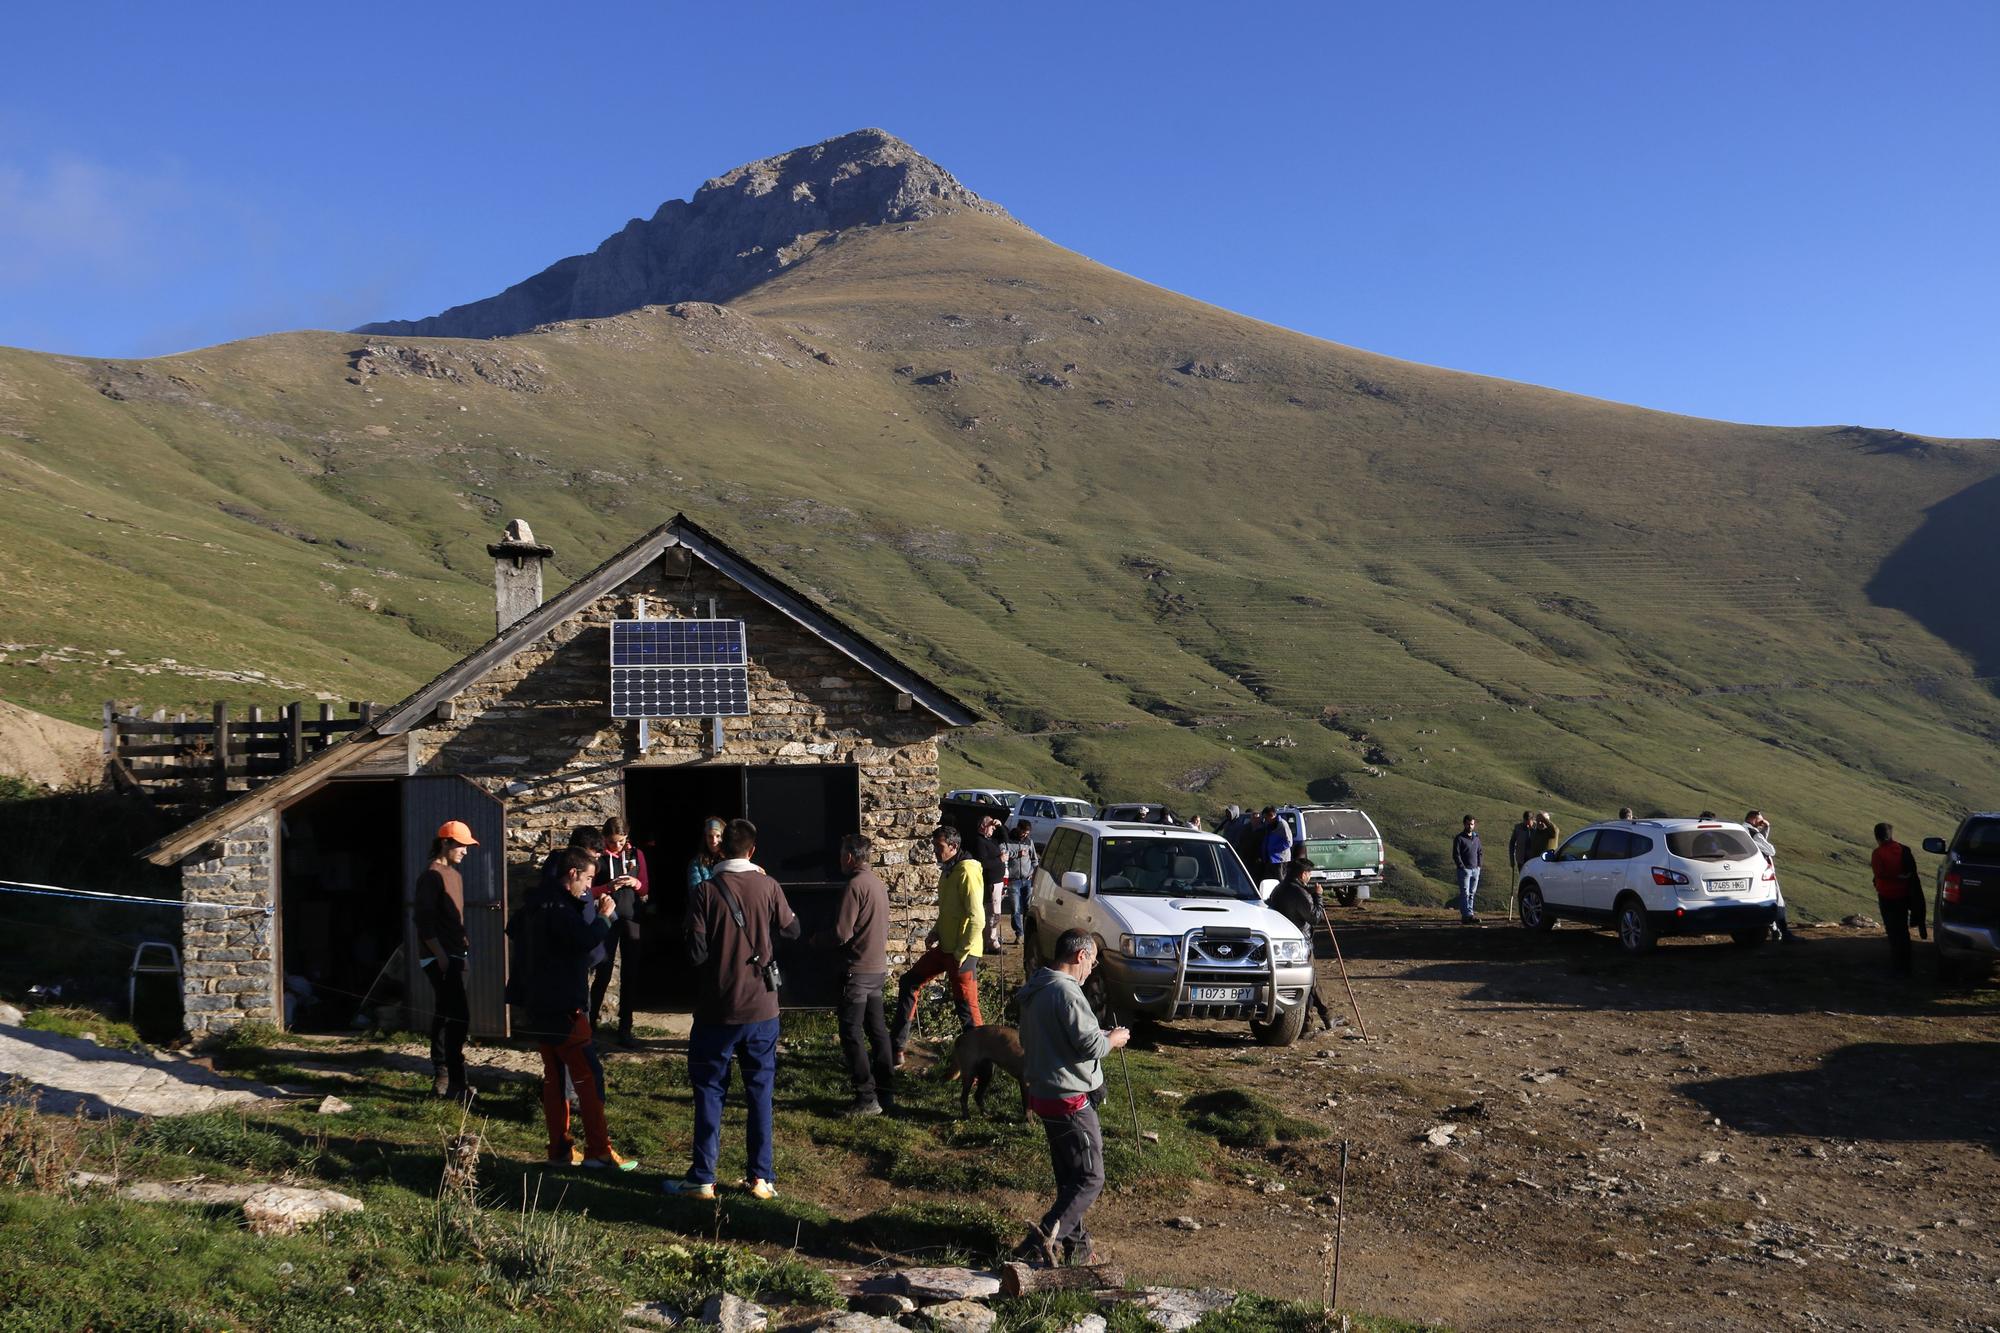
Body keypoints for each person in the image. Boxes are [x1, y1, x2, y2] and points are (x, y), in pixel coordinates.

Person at [665, 818, 800, 1201]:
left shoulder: (705, 892)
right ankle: (761, 1178)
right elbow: (792, 930)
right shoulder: (769, 886)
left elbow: (696, 954)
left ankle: (703, 1177)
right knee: (760, 1091)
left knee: (709, 1090)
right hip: (762, 1008)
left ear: (721, 849)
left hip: (717, 1008)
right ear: (753, 851)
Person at [509, 847, 637, 1170]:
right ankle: (598, 1149)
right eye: (589, 878)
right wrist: (606, 917)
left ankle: (559, 1149)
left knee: (554, 1077)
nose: (589, 886)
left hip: (539, 1003)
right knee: (588, 1076)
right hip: (565, 1005)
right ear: (573, 874)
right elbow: (585, 941)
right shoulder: (560, 908)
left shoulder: (535, 904)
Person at [1015, 929, 1130, 1267]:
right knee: (1091, 1177)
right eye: (1092, 962)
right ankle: (1041, 1242)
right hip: (1070, 1099)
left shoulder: (1037, 987)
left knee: (1070, 1178)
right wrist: (1114, 1039)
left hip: (1044, 1094)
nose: (1091, 970)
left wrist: (1097, 1035)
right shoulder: (1067, 993)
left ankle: (1078, 1250)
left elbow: (1043, 1036)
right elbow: (1091, 1046)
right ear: (1080, 956)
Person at [890, 826, 985, 1068]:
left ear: (953, 847)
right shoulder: (948, 871)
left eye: (939, 847)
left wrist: (961, 953)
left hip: (963, 953)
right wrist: (935, 932)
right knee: (909, 981)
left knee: (966, 1010)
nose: (934, 851)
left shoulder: (967, 872)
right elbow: (949, 912)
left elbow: (977, 918)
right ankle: (896, 1048)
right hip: (945, 948)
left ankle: (980, 1069)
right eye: (934, 846)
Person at [815, 834, 892, 1117]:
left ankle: (866, 1095)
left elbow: (841, 933)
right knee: (878, 1031)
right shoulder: (878, 885)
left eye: (840, 854)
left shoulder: (854, 886)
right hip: (877, 969)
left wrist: (815, 941)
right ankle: (887, 1090)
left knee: (851, 1032)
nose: (839, 859)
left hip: (857, 972)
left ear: (849, 856)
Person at [413, 820, 478, 1103]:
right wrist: (439, 956)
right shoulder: (431, 877)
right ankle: (451, 1078)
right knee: (457, 1015)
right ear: (445, 843)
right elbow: (423, 922)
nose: (465, 851)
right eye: (461, 845)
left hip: (456, 954)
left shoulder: (454, 875)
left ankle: (447, 1078)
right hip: (441, 957)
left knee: (448, 1013)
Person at [591, 817, 651, 1046]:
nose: (616, 846)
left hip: (632, 917)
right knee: (603, 971)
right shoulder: (598, 856)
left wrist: (634, 883)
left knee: (630, 973)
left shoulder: (636, 854)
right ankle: (590, 1025)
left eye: (620, 841)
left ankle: (625, 1026)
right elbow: (589, 890)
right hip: (608, 917)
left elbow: (645, 886)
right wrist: (608, 887)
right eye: (611, 842)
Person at [1267, 849, 1333, 1033]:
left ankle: (1315, 1020)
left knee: (1308, 982)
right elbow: (1315, 917)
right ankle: (1318, 1020)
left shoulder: (1279, 889)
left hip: (1282, 943)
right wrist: (1318, 896)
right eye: (1309, 874)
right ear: (1303, 874)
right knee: (1310, 981)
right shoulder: (1300, 893)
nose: (1310, 877)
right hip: (1301, 942)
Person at [1869, 822, 1927, 976]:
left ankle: (1898, 966)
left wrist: (1894, 877)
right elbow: (1911, 872)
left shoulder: (1878, 853)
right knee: (1902, 930)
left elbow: (1879, 874)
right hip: (1904, 896)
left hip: (1887, 896)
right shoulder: (1902, 849)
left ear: (1877, 837)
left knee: (1893, 931)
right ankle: (1906, 965)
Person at [1744, 810, 1791, 942]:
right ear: (1753, 819)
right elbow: (1770, 850)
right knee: (1777, 901)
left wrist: (1766, 828)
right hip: (1764, 871)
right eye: (1760, 820)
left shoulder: (1743, 831)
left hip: (1751, 871)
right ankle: (1784, 932)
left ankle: (1774, 930)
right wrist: (1764, 828)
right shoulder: (1752, 832)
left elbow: (1760, 843)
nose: (1762, 822)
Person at [971, 811, 1008, 952]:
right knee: (993, 913)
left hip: (997, 881)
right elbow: (983, 863)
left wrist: (1000, 826)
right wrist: (1000, 860)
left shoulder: (990, 839)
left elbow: (1006, 839)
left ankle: (991, 939)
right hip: (991, 882)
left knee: (995, 912)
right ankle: (991, 942)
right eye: (990, 826)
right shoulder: (980, 842)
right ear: (983, 826)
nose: (993, 828)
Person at [1004, 819, 1039, 944]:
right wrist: (1017, 854)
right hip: (1013, 880)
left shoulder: (1029, 842)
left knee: (1028, 908)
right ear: (1018, 828)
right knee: (1015, 908)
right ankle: (1019, 933)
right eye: (1023, 832)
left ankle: (1027, 932)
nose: (1025, 835)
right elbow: (1004, 854)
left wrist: (1032, 872)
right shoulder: (1008, 840)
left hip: (1027, 880)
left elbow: (1035, 860)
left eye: (1027, 833)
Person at [1453, 815, 1483, 924]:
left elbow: (1480, 852)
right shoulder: (1459, 838)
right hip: (1464, 870)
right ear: (1464, 824)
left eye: (1472, 824)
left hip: (1475, 870)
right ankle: (1466, 916)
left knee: (1472, 893)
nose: (1470, 826)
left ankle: (1470, 914)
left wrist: (1479, 866)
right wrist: (1462, 867)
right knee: (1465, 893)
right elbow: (1456, 855)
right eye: (1468, 824)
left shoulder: (1476, 838)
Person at [688, 816, 725, 892]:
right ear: (705, 838)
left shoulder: (729, 861)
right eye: (710, 836)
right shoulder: (697, 863)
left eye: (718, 836)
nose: (714, 840)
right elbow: (695, 892)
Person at [1258, 807, 1293, 883]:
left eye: (1265, 817)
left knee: (1280, 881)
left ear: (1270, 815)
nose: (1265, 820)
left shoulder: (1282, 824)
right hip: (1270, 860)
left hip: (1280, 860)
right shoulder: (1269, 825)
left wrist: (1273, 849)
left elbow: (1289, 842)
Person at [1507, 810, 1537, 884]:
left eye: (1528, 823)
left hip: (1533, 861)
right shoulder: (1518, 828)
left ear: (1533, 820)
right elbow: (1512, 843)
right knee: (1523, 880)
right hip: (1521, 860)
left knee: (1533, 880)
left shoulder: (1537, 829)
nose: (1526, 825)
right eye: (1525, 822)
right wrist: (1512, 859)